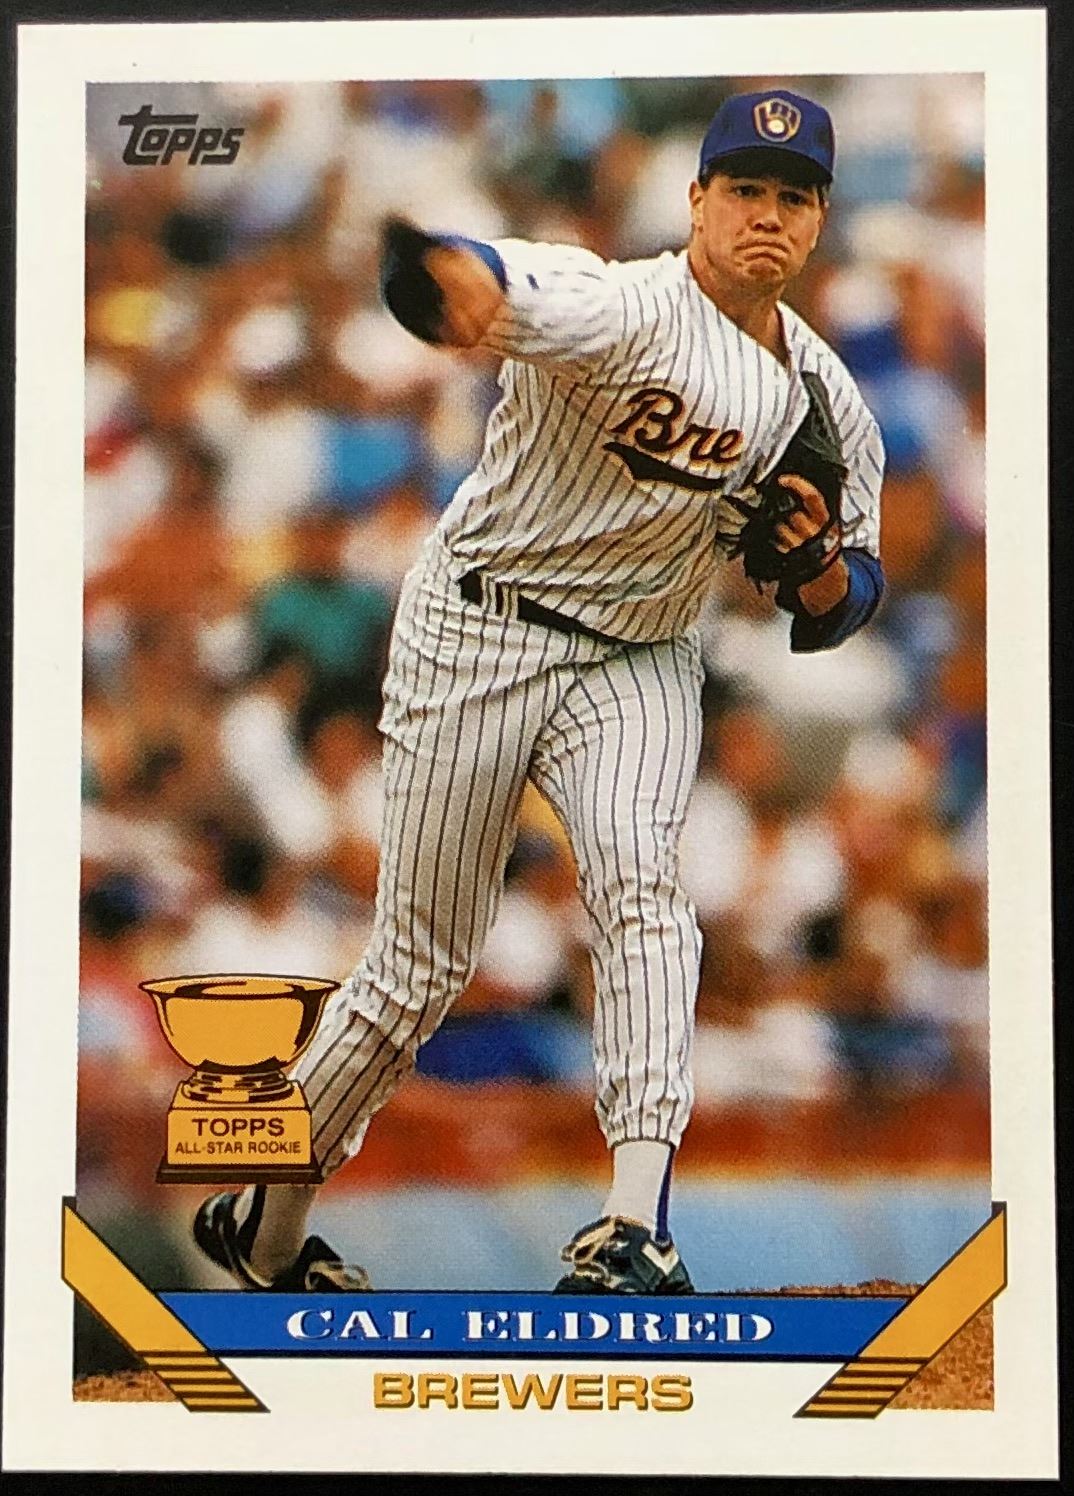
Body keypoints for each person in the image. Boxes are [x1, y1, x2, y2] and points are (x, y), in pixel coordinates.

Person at [195, 88, 886, 1295]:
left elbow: (845, 599)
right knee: (418, 963)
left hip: (639, 655)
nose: (767, 214)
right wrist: (452, 280)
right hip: (480, 622)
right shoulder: (620, 303)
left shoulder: (827, 404)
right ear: (697, 200)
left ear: (820, 219)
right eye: (745, 189)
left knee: (642, 886)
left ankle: (634, 1221)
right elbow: (492, 282)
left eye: (793, 196)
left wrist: (822, 565)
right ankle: (266, 1215)